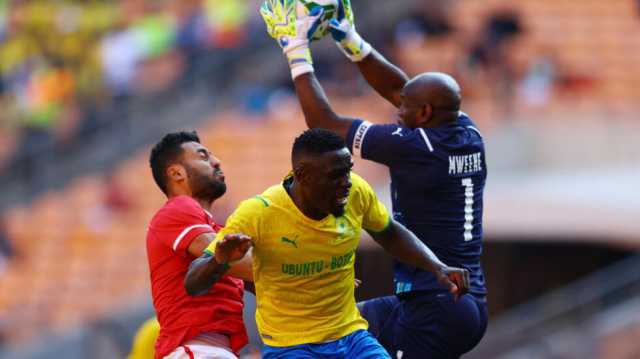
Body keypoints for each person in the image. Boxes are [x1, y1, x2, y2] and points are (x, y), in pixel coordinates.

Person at [260, 1, 488, 358]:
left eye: (404, 110)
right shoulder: (464, 129)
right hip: (457, 297)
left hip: (435, 306)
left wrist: (296, 50)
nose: (397, 111)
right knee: (334, 329)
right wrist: (349, 38)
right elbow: (405, 91)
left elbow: (325, 124)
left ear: (425, 113)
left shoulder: (419, 147)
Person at [185, 128, 470, 359]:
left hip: (350, 335)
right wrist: (219, 260)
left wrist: (437, 266)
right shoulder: (259, 212)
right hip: (291, 346)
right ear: (302, 175)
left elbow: (389, 232)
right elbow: (194, 283)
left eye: (348, 170)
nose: (346, 182)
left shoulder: (356, 191)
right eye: (335, 175)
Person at [147, 131, 253, 359]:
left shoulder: (212, 228)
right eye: (204, 157)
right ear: (176, 173)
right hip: (197, 351)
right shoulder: (180, 207)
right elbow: (250, 267)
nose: (217, 161)